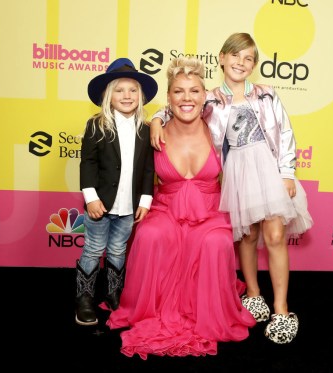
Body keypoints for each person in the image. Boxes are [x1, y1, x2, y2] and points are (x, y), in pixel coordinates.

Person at [150, 33, 313, 344]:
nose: (241, 62)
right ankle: (253, 294)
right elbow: (177, 105)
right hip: (237, 172)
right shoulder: (209, 97)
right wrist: (157, 119)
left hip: (269, 169)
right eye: (235, 56)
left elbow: (285, 133)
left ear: (253, 65)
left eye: (249, 58)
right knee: (247, 235)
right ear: (222, 58)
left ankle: (282, 309)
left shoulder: (267, 94)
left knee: (275, 234)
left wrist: (287, 173)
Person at [105, 56, 256, 359]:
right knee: (149, 235)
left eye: (194, 91)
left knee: (216, 242)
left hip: (211, 213)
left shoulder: (221, 129)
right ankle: (144, 309)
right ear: (168, 97)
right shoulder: (150, 131)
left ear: (205, 96)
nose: (186, 98)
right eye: (178, 91)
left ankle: (209, 312)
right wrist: (157, 120)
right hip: (165, 209)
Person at [75, 58, 158, 326]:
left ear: (141, 96)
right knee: (93, 249)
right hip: (100, 205)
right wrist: (91, 197)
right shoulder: (96, 125)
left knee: (118, 251)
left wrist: (145, 199)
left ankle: (113, 294)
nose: (127, 96)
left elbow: (147, 169)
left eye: (133, 90)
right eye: (120, 90)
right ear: (109, 97)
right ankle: (85, 298)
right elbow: (87, 162)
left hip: (128, 207)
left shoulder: (145, 130)